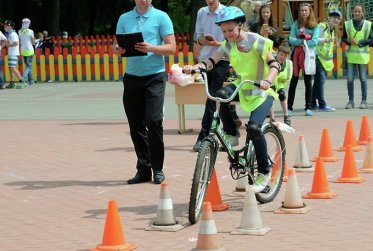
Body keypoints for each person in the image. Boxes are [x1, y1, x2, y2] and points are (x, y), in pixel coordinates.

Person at [184, 6, 281, 193]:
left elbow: (274, 64)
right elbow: (213, 60)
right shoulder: (228, 44)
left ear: (240, 25)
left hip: (262, 90)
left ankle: (264, 171)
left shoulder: (257, 41)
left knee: (253, 128)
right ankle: (232, 132)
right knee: (219, 96)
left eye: (230, 30)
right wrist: (197, 67)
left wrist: (268, 80)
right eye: (224, 31)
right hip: (241, 86)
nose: (227, 34)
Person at [114, 0, 176, 184]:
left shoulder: (161, 17)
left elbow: (171, 47)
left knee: (154, 120)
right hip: (131, 77)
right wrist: (117, 50)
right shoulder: (124, 18)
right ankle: (143, 168)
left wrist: (151, 48)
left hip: (154, 77)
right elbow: (115, 46)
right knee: (136, 124)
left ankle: (158, 168)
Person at [192, 0, 239, 153]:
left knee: (212, 98)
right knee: (217, 97)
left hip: (223, 60)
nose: (210, 1)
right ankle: (232, 129)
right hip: (206, 60)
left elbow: (232, 38)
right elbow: (197, 38)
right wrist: (203, 40)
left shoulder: (228, 12)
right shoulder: (201, 12)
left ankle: (203, 137)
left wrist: (219, 43)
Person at [287, 3, 319, 116]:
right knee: (293, 81)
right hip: (296, 55)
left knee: (307, 81)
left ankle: (308, 107)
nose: (304, 12)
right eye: (302, 11)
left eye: (306, 10)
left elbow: (315, 42)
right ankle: (289, 107)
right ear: (299, 12)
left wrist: (301, 41)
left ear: (310, 11)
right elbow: (291, 38)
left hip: (308, 56)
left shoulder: (315, 25)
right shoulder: (296, 24)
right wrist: (302, 41)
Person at [342, 3, 373, 109]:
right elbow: (343, 38)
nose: (356, 13)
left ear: (362, 13)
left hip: (362, 56)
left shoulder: (368, 24)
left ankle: (364, 101)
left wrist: (359, 43)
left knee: (363, 79)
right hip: (351, 56)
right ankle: (350, 101)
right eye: (355, 11)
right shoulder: (348, 24)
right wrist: (349, 41)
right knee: (350, 79)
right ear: (352, 12)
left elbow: (371, 39)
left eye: (359, 11)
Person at [311, 9, 342, 112]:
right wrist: (325, 40)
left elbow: (327, 46)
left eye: (338, 19)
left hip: (323, 59)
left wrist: (334, 45)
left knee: (317, 81)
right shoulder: (323, 26)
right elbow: (314, 39)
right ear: (329, 18)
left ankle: (312, 103)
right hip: (317, 56)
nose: (336, 20)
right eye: (334, 18)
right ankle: (322, 105)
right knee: (321, 79)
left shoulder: (332, 30)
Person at [268, 41, 292, 125]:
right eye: (281, 55)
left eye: (285, 56)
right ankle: (272, 118)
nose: (282, 57)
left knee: (282, 94)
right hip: (270, 84)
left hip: (280, 85)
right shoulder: (271, 61)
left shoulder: (289, 64)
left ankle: (286, 116)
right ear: (277, 53)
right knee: (269, 97)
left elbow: (288, 77)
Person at [3, 20, 24, 89]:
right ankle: (12, 83)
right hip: (12, 53)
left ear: (9, 26)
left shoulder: (13, 34)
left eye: (5, 26)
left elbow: (16, 43)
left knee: (12, 67)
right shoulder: (10, 34)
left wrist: (8, 45)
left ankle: (22, 81)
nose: (4, 27)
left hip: (13, 53)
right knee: (11, 68)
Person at [19, 18, 35, 85]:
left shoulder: (19, 31)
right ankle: (23, 77)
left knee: (28, 65)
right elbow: (33, 41)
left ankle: (31, 81)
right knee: (28, 66)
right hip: (29, 50)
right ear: (28, 23)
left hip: (23, 50)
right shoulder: (30, 31)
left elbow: (20, 41)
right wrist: (34, 46)